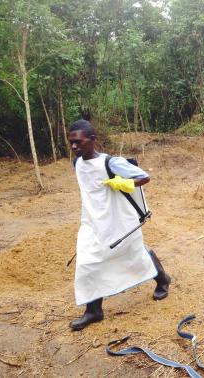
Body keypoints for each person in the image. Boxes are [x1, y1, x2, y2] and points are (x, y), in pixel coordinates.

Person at [67, 119, 171, 331]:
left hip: (118, 220)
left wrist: (122, 183)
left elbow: (144, 177)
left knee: (134, 254)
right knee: (87, 263)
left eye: (78, 142)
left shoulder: (110, 163)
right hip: (92, 222)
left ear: (93, 140)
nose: (74, 147)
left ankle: (163, 279)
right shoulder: (77, 163)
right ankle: (93, 311)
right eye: (71, 143)